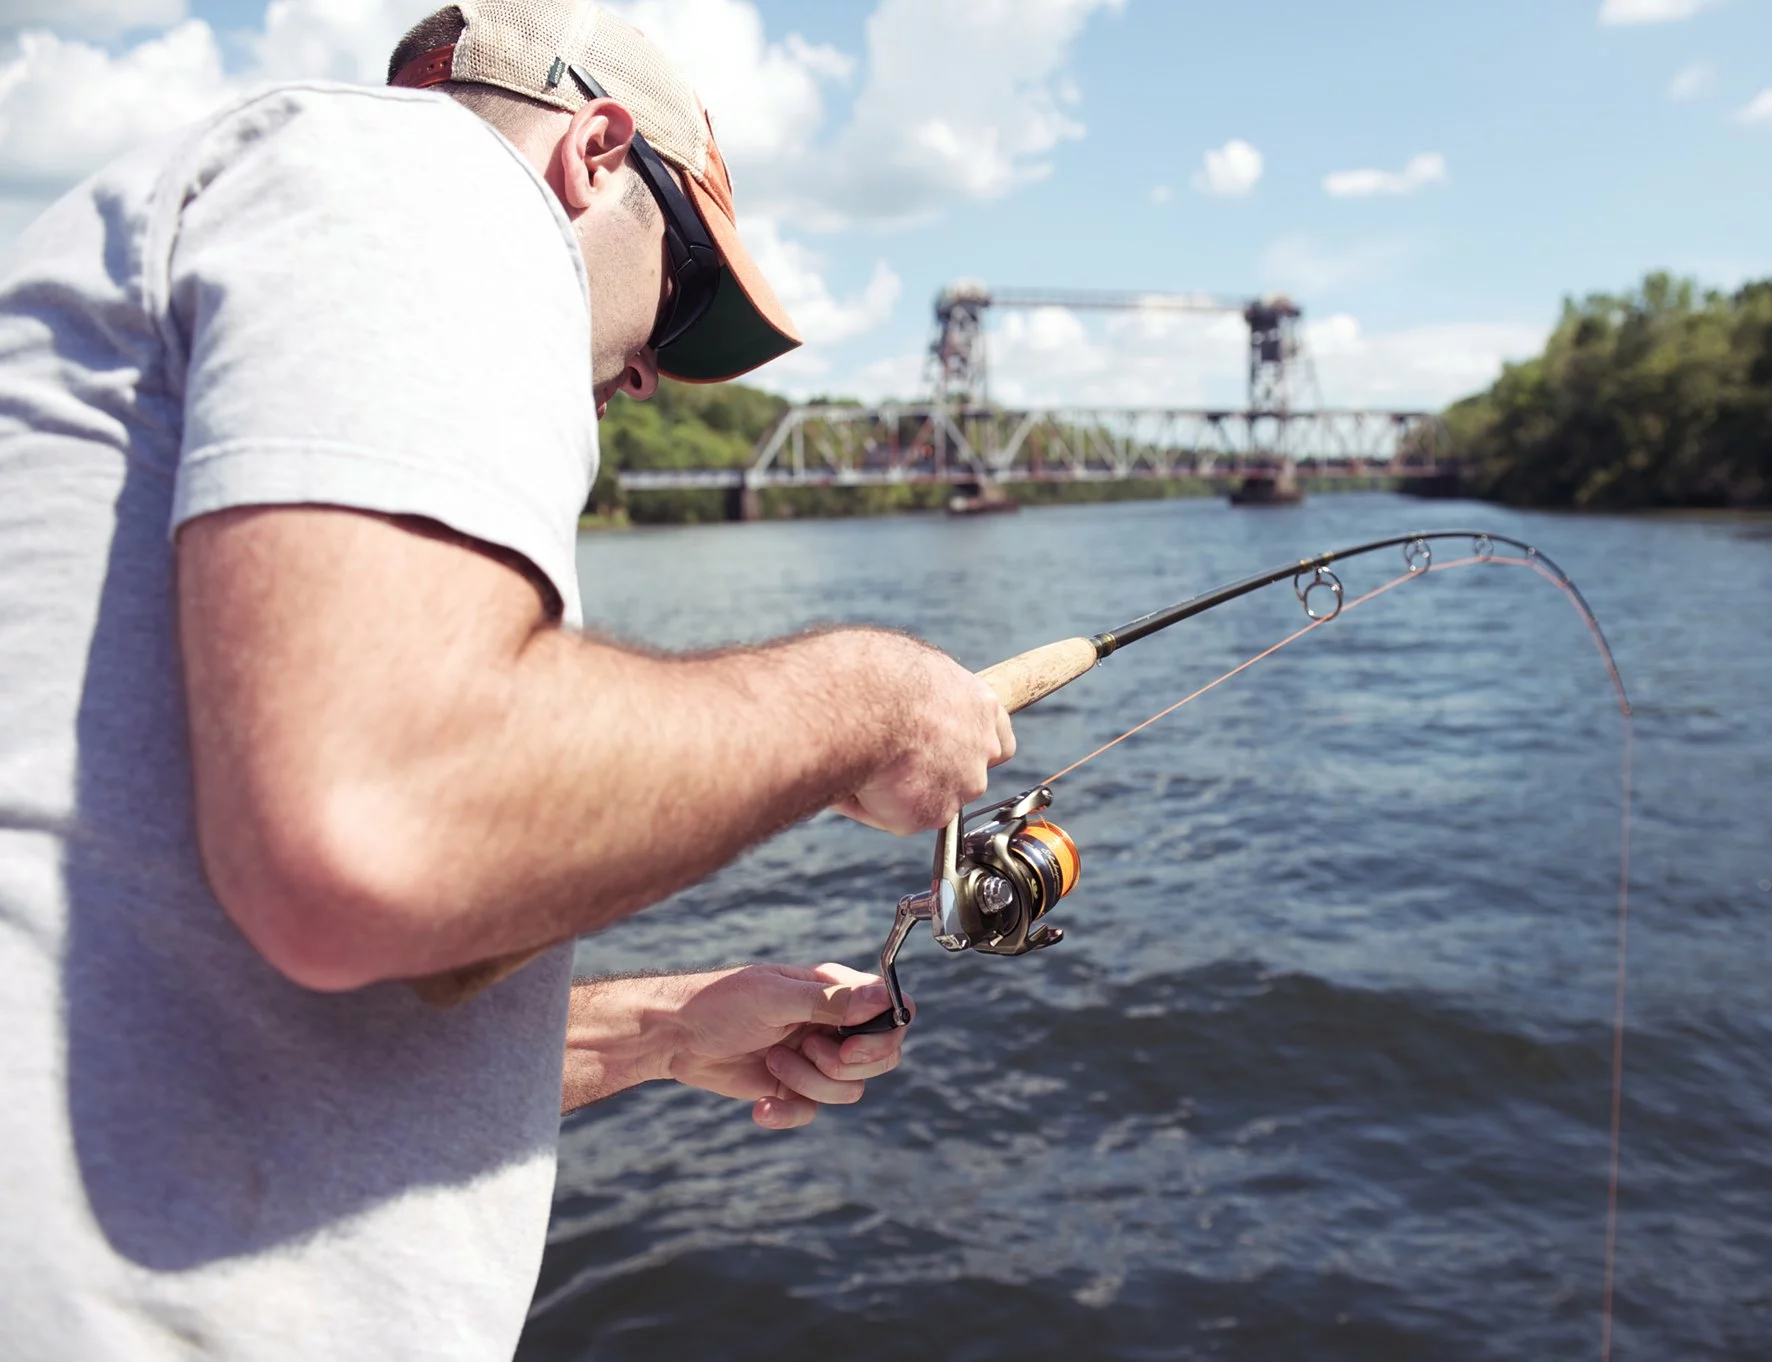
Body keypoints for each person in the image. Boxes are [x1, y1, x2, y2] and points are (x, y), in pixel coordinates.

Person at [0, 0, 1015, 1357]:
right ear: (596, 153)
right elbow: (375, 830)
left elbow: (242, 990)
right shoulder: (436, 182)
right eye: (688, 293)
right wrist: (868, 701)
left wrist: (658, 1031)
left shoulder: (285, 231)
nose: (659, 369)